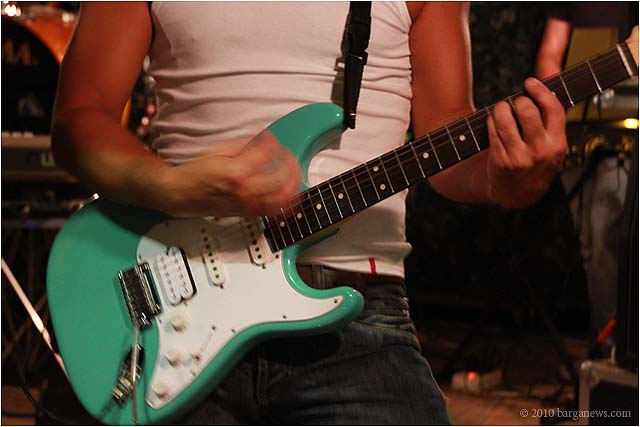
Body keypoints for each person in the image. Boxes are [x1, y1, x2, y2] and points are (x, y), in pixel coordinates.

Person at [51, 2, 567, 424]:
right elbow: (79, 116)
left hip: (358, 312)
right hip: (172, 297)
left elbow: (445, 131)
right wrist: (172, 187)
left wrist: (504, 179)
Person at [536, 2, 636, 338]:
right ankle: (614, 346)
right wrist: (559, 108)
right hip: (587, 131)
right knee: (599, 241)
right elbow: (550, 55)